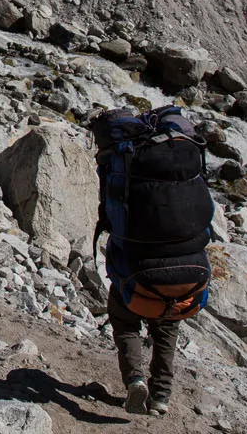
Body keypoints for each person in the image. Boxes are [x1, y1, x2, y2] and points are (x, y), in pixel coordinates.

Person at [91, 106, 214, 417]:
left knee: (125, 319)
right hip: (191, 275)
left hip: (140, 277)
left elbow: (113, 222)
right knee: (167, 329)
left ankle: (135, 379)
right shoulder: (185, 162)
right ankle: (161, 397)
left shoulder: (125, 165)